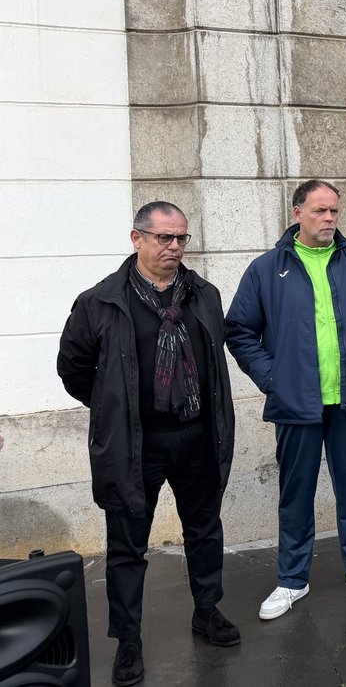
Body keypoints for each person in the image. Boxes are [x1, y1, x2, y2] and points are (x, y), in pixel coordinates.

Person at [57, 202, 238, 687]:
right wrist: (115, 407)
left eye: (181, 239)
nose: (175, 248)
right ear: (137, 239)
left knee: (204, 530)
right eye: (164, 238)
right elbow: (74, 371)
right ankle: (129, 640)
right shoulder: (100, 302)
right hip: (137, 445)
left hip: (198, 436)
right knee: (127, 546)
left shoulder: (204, 294)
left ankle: (207, 611)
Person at [226, 179, 346, 620]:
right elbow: (240, 330)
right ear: (297, 212)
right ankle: (291, 580)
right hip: (296, 402)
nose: (329, 219)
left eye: (334, 212)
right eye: (320, 211)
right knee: (296, 494)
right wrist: (272, 379)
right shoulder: (267, 269)